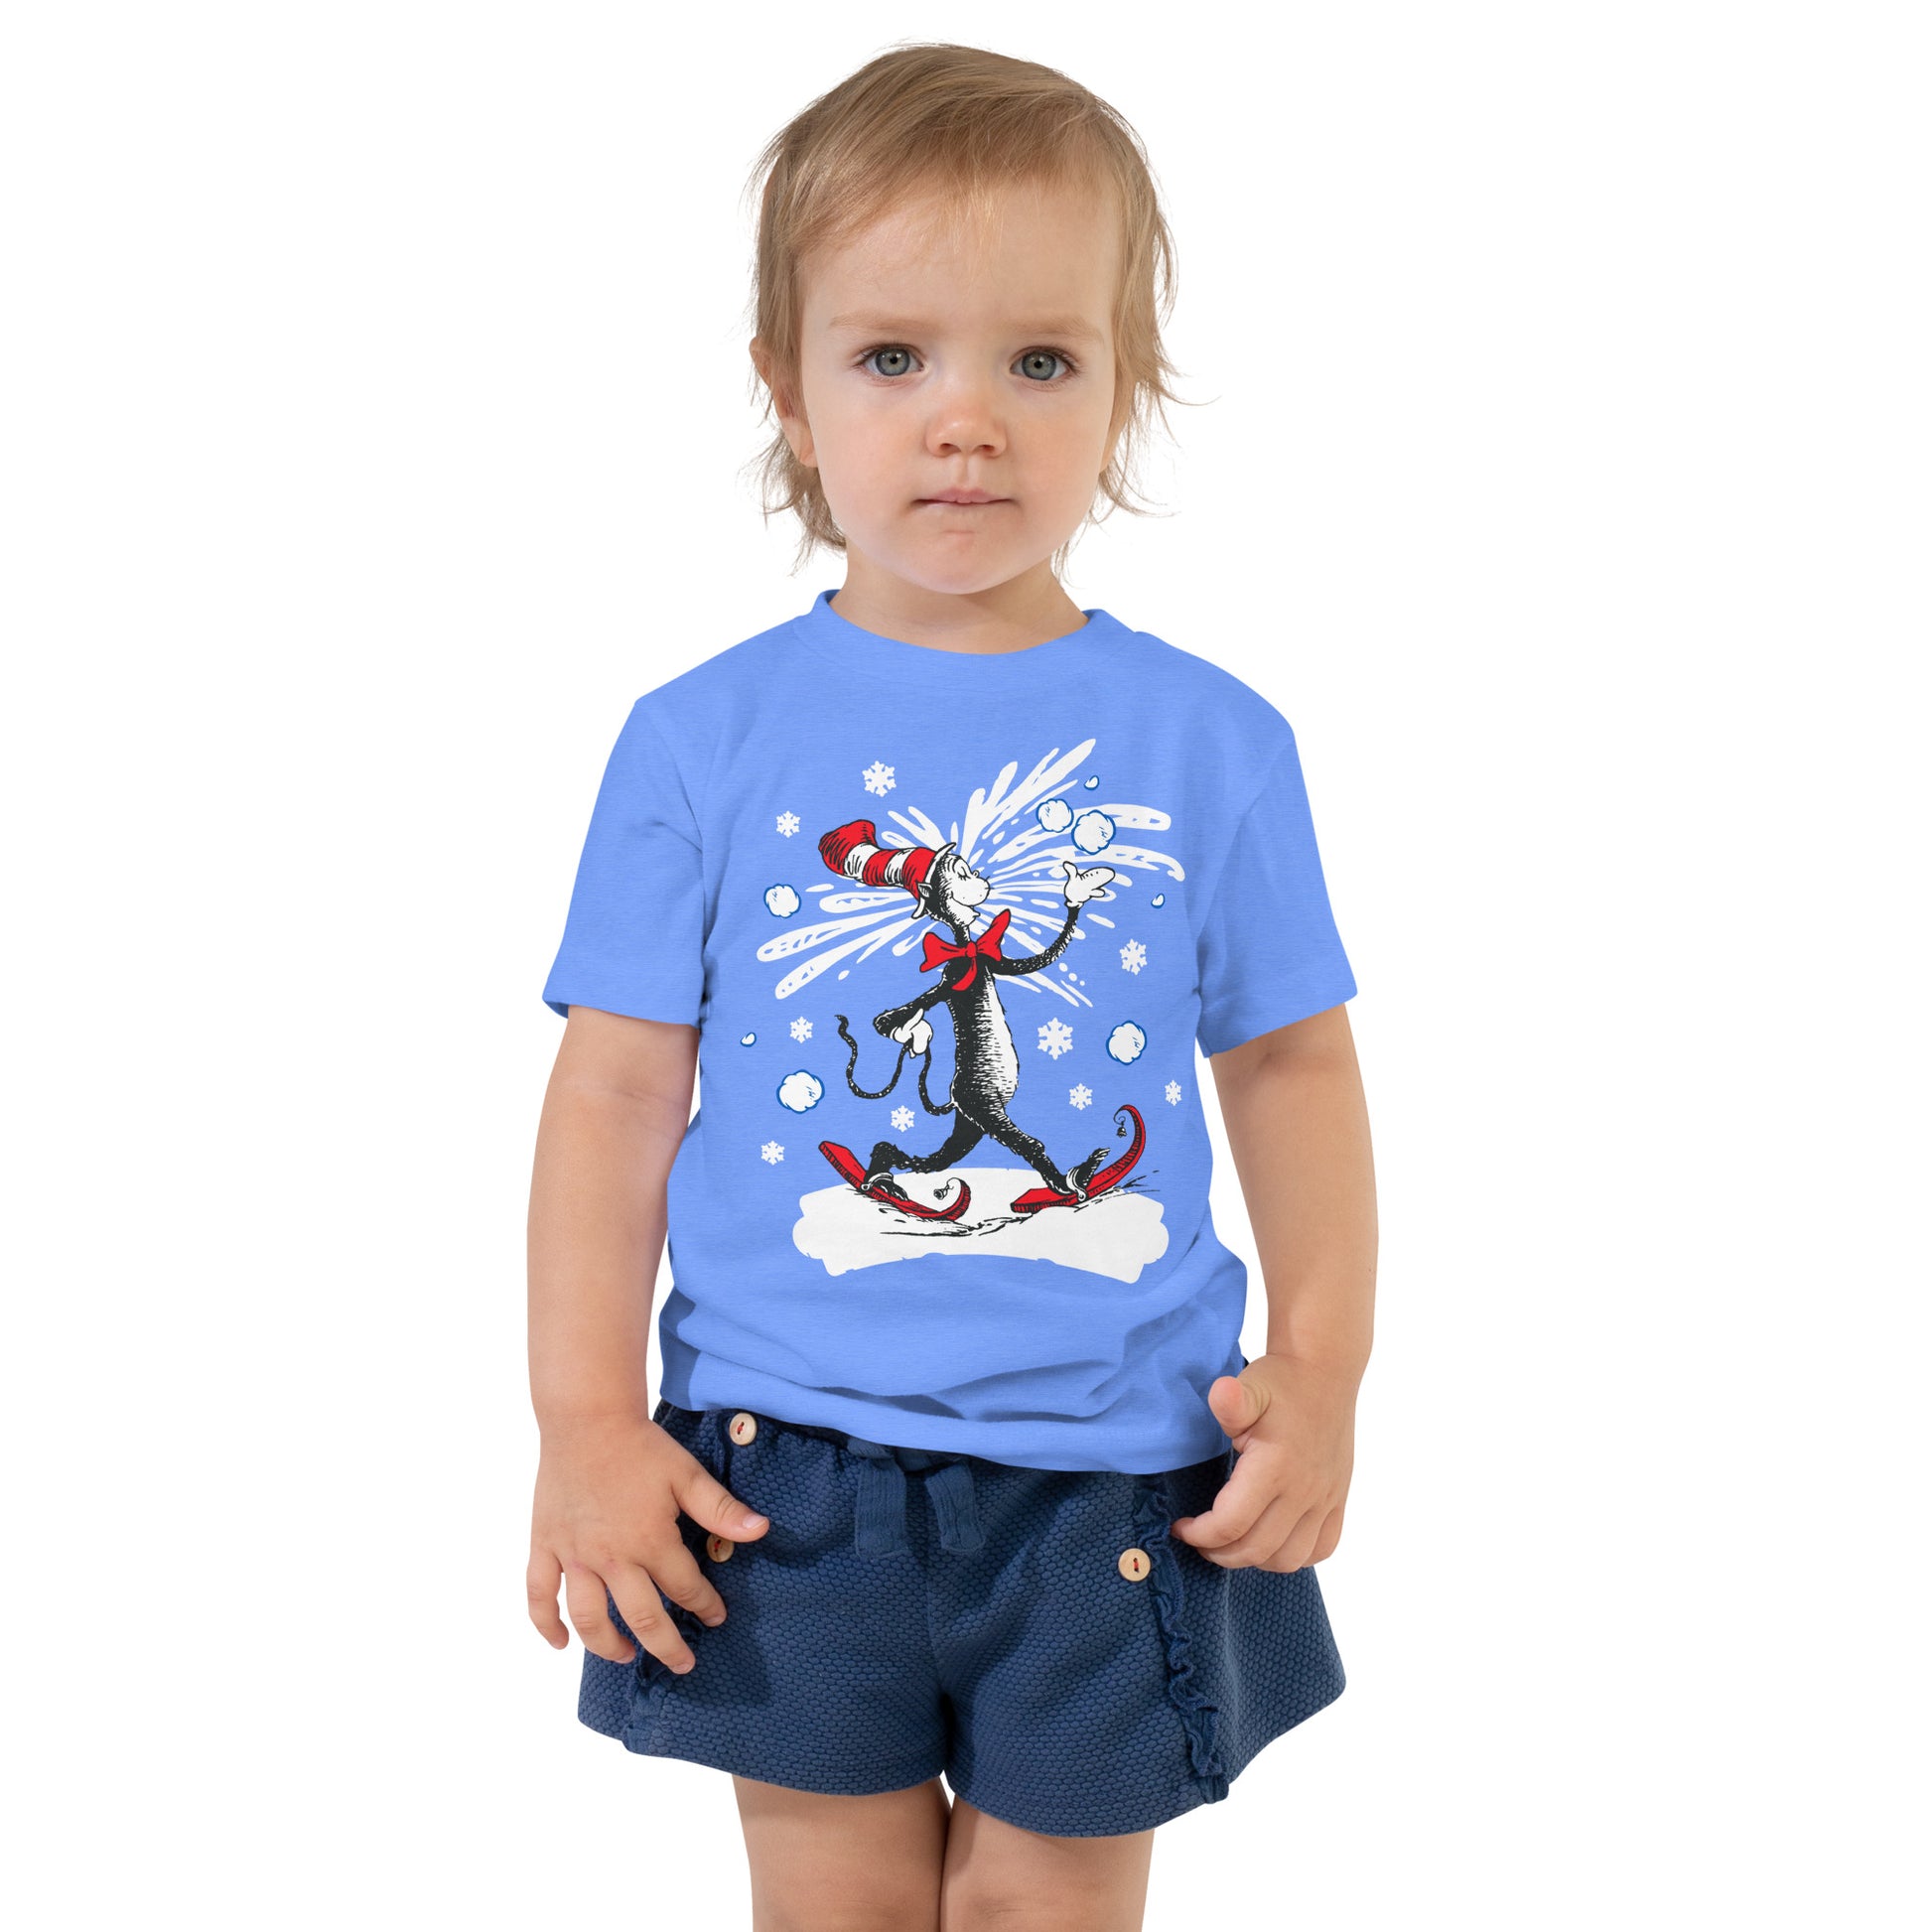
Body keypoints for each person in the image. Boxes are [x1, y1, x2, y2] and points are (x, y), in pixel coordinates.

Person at [526, 41, 1377, 1932]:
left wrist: (1322, 1368)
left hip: (1117, 1470)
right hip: (779, 1469)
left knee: (1042, 1912)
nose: (965, 421)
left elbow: (1293, 1069)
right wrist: (583, 1420)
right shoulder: (697, 739)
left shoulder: (1212, 742)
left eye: (1040, 361)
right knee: (828, 1904)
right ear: (789, 386)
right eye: (893, 356)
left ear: (1123, 386)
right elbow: (613, 1093)